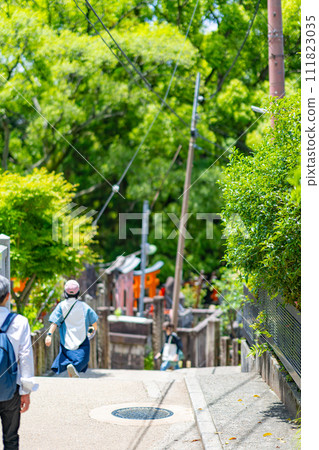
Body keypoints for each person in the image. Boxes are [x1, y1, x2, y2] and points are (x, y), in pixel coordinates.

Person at [0, 275, 38, 449]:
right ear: (8, 296)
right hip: (11, 391)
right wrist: (26, 391)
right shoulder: (20, 322)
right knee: (11, 438)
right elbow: (25, 358)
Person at [45, 280, 98, 378]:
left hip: (66, 340)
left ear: (65, 293)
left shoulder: (61, 306)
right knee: (83, 358)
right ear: (78, 293)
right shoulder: (84, 307)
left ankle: (71, 368)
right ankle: (73, 367)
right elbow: (94, 324)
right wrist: (91, 330)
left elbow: (54, 322)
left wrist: (49, 335)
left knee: (67, 356)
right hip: (82, 339)